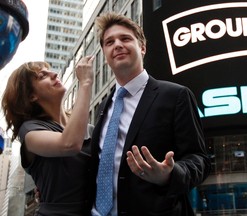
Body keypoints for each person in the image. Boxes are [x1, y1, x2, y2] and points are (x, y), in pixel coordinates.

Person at [89, 12, 211, 216]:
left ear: (142, 47)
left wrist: (169, 174)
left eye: (125, 38)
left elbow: (200, 160)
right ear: (105, 54)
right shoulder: (103, 107)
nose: (117, 45)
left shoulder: (176, 95)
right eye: (109, 42)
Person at [1, 55, 95, 215]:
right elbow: (69, 144)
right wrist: (85, 83)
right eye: (42, 76)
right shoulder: (30, 131)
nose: (54, 74)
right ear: (31, 96)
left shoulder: (89, 129)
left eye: (50, 71)